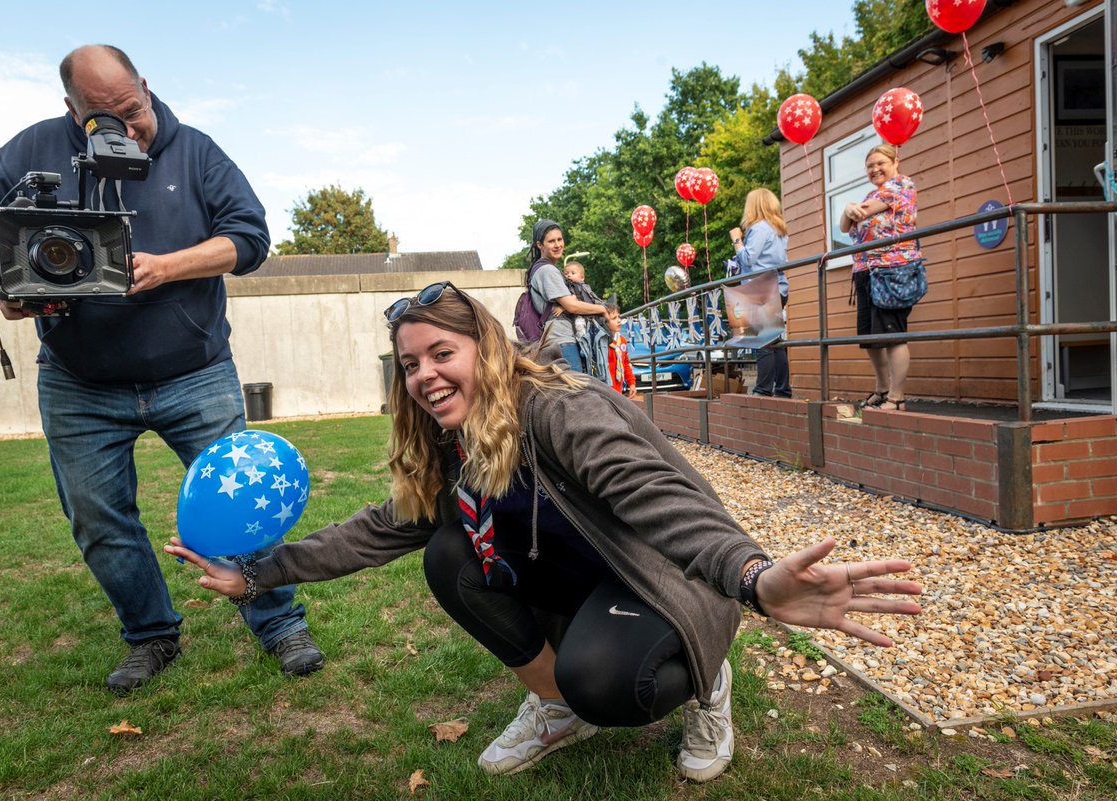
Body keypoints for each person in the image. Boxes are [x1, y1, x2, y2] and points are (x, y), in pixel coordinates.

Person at [165, 281, 923, 782]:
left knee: (604, 682)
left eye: (441, 353)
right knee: (446, 554)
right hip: (584, 580)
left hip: (664, 578)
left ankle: (706, 678)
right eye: (410, 363)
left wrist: (753, 578)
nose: (425, 375)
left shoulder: (561, 407)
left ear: (486, 349)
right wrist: (260, 573)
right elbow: (376, 529)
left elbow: (659, 498)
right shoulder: (450, 437)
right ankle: (552, 706)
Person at [0, 45, 323, 692]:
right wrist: (2, 280)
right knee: (100, 519)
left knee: (241, 507)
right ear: (71, 110)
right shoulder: (32, 148)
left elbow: (250, 238)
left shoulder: (197, 151)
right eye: (104, 117)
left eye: (133, 109)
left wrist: (166, 265)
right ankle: (151, 634)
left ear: (147, 88)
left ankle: (279, 623)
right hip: (79, 380)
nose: (127, 128)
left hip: (195, 371)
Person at [839, 144, 922, 412]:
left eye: (880, 163)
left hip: (891, 269)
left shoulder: (901, 185)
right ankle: (882, 389)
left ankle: (897, 398)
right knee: (870, 338)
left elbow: (858, 214)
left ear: (894, 161)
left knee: (892, 334)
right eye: (870, 166)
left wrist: (852, 208)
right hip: (865, 271)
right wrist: (848, 208)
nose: (875, 169)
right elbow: (844, 225)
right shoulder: (872, 194)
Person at [728, 187, 792, 398]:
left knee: (763, 341)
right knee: (776, 342)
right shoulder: (779, 229)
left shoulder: (759, 228)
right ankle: (783, 389)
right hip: (779, 286)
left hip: (761, 289)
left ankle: (763, 389)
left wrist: (737, 240)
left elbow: (749, 259)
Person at [526, 220, 606, 372]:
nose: (557, 245)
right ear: (539, 245)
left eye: (559, 239)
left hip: (558, 339)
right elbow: (572, 305)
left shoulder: (546, 269)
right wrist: (602, 309)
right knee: (575, 391)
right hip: (561, 340)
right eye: (551, 241)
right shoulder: (547, 271)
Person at [604, 304, 637, 399]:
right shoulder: (602, 342)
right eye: (614, 318)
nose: (619, 320)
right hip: (606, 389)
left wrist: (632, 383)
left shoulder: (622, 340)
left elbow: (625, 363)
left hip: (618, 389)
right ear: (605, 323)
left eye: (619, 316)